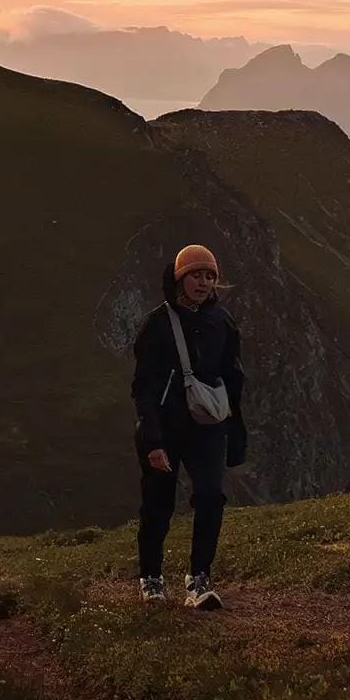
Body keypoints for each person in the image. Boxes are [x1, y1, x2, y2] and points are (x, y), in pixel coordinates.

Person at [132, 242, 247, 611]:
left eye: (210, 276)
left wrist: (235, 432)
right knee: (158, 503)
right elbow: (144, 387)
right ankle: (151, 577)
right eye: (196, 275)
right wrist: (153, 441)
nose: (204, 282)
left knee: (211, 496)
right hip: (164, 427)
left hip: (208, 425)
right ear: (180, 278)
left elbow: (232, 378)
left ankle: (199, 578)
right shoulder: (157, 324)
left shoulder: (222, 323)